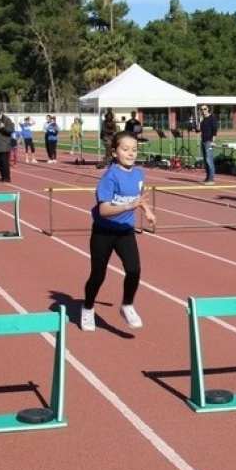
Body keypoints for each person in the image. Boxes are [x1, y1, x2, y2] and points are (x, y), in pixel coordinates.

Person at [81, 131, 156, 332]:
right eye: (125, 149)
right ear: (114, 152)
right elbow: (104, 210)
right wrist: (128, 206)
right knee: (98, 275)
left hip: (125, 231)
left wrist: (146, 210)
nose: (130, 153)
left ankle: (127, 305)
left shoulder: (139, 174)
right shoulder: (109, 177)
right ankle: (87, 308)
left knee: (134, 269)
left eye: (134, 149)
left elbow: (138, 196)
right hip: (103, 232)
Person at [198, 104, 218, 184]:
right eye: (202, 109)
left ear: (208, 109)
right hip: (203, 140)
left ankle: (211, 179)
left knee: (209, 160)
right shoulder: (203, 120)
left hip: (209, 141)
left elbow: (215, 131)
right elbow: (197, 130)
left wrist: (213, 141)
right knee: (206, 161)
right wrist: (199, 121)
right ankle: (207, 177)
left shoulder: (212, 118)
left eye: (205, 109)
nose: (203, 111)